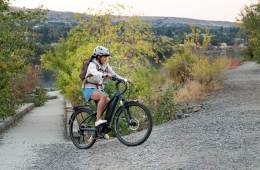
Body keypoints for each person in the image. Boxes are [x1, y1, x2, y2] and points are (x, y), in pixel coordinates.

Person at [82, 46, 127, 128]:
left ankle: (101, 129)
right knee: (104, 96)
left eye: (107, 56)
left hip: (98, 89)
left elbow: (113, 74)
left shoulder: (105, 65)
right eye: (105, 56)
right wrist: (104, 74)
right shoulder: (92, 64)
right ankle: (98, 120)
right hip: (88, 89)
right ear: (98, 57)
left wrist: (124, 79)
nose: (106, 58)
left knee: (108, 101)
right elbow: (94, 72)